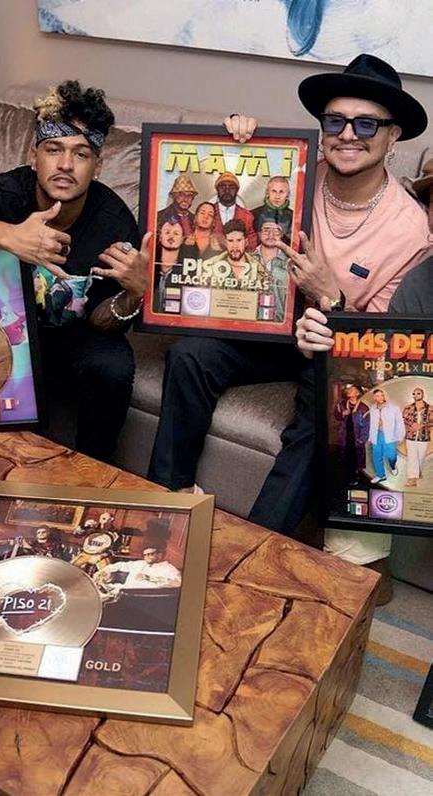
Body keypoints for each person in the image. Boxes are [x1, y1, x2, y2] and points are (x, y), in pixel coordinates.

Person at [148, 54, 430, 589]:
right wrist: (239, 145)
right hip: (270, 326)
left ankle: (249, 559)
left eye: (366, 124)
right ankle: (169, 502)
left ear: (393, 136)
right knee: (190, 354)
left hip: (331, 346)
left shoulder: (410, 229)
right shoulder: (293, 172)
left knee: (323, 420)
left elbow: (378, 349)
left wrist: (330, 297)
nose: (348, 134)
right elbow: (228, 193)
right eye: (335, 121)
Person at [0, 80, 150, 463]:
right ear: (33, 157)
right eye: (53, 149)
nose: (65, 165)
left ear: (97, 166)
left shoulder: (114, 221)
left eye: (81, 154)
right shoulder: (9, 192)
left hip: (70, 333)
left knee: (114, 365)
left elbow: (101, 320)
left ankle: (94, 470)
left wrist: (133, 295)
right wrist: (11, 237)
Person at [205, 219, 267, 289]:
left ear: (246, 242)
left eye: (239, 240)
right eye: (230, 241)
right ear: (225, 243)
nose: (235, 246)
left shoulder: (260, 270)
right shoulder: (211, 266)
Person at [94, 547, 181, 595]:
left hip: (139, 598)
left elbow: (177, 583)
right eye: (145, 555)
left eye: (150, 554)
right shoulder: (140, 563)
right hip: (121, 592)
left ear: (160, 554)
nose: (147, 557)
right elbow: (120, 565)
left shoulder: (168, 568)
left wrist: (148, 578)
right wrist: (105, 570)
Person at [253, 217, 289, 321]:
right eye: (266, 230)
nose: (271, 235)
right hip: (249, 323)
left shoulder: (289, 264)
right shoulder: (247, 260)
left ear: (282, 234)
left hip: (280, 325)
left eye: (276, 231)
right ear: (259, 233)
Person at [334, 383, 370, 486]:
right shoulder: (341, 404)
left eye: (352, 390)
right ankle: (346, 477)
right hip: (345, 436)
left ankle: (356, 477)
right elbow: (336, 416)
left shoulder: (363, 408)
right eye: (349, 389)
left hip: (356, 437)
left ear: (357, 393)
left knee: (356, 457)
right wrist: (342, 414)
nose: (349, 391)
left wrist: (362, 438)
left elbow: (366, 425)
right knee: (345, 456)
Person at [367, 389, 404, 484]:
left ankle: (393, 466)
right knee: (376, 455)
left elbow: (399, 422)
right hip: (376, 434)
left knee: (391, 455)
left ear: (385, 396)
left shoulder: (394, 408)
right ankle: (381, 475)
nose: (380, 398)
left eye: (382, 395)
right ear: (374, 397)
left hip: (389, 434)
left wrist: (401, 435)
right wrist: (371, 437)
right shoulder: (372, 408)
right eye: (377, 396)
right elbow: (371, 424)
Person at [211, 172, 256, 247]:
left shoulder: (247, 216)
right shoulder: (208, 212)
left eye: (231, 187)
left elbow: (252, 242)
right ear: (217, 189)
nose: (227, 190)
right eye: (223, 187)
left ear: (237, 190)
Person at [402, 386, 432, 487]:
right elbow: (404, 419)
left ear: (422, 395)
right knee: (412, 457)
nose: (416, 395)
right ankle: (412, 479)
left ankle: (418, 472)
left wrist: (422, 425)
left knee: (421, 457)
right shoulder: (408, 407)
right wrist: (412, 425)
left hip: (424, 436)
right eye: (414, 394)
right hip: (411, 436)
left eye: (418, 393)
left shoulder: (430, 408)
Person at [153, 219, 184, 312]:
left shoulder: (187, 272)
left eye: (176, 233)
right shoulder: (150, 269)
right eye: (167, 232)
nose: (171, 236)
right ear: (160, 237)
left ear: (182, 239)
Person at [251, 176, 293, 242]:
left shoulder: (294, 217)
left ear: (287, 194)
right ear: (267, 192)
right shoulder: (254, 215)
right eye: (274, 191)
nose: (277, 196)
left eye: (281, 192)